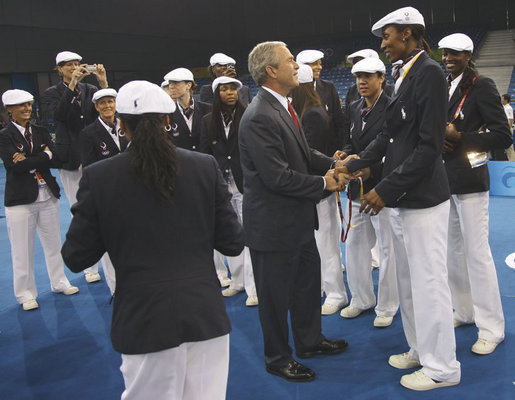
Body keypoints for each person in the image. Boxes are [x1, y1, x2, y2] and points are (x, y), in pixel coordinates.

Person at [61, 80, 244, 399]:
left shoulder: (100, 177)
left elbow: (76, 256)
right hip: (204, 315)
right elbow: (231, 242)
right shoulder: (204, 167)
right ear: (167, 122)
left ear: (121, 125)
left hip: (144, 319)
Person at [339, 7, 461, 391]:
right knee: (408, 282)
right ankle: (420, 349)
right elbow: (388, 136)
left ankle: (442, 367)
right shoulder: (402, 74)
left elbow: (428, 149)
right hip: (402, 199)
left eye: (388, 37)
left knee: (429, 283)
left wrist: (383, 190)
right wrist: (358, 162)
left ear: (408, 35)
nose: (383, 45)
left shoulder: (428, 74)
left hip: (422, 199)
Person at [239, 41, 349, 382]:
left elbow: (303, 153)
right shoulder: (259, 116)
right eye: (289, 60)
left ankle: (309, 340)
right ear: (272, 71)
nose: (296, 65)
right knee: (273, 297)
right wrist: (324, 184)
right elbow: (276, 176)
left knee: (305, 284)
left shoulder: (282, 105)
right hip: (273, 227)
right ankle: (277, 357)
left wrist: (334, 162)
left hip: (297, 220)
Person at [439, 33, 510, 355]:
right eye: (446, 54)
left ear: (469, 55)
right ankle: (464, 311)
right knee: (452, 252)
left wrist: (461, 137)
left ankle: (492, 327)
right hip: (445, 181)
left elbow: (502, 136)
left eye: (456, 54)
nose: (450, 58)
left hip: (471, 181)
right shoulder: (445, 84)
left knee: (477, 255)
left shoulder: (481, 85)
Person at [0, 89, 79, 311]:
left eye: (29, 104)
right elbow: (13, 166)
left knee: (54, 243)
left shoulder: (41, 131)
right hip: (20, 200)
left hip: (47, 195)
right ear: (9, 110)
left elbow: (56, 160)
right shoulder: (4, 136)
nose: (27, 109)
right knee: (22, 249)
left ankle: (59, 281)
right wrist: (44, 156)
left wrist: (35, 159)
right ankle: (25, 294)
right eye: (21, 105)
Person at [339, 57, 399, 327]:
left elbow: (396, 148)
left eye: (368, 76)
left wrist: (370, 169)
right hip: (355, 189)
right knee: (353, 245)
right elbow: (352, 143)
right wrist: (345, 155)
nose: (361, 82)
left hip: (382, 190)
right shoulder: (352, 107)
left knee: (388, 249)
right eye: (357, 77)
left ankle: (387, 306)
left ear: (381, 78)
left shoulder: (392, 106)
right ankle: (361, 299)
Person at [40, 50, 108, 284]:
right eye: (69, 65)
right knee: (80, 209)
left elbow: (105, 111)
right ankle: (90, 266)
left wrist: (102, 83)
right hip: (70, 157)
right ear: (59, 69)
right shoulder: (52, 93)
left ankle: (110, 256)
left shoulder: (90, 91)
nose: (74, 68)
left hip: (96, 153)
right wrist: (72, 86)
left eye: (77, 64)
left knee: (106, 206)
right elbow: (59, 115)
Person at [290, 64, 348, 315]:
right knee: (321, 242)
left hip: (318, 188)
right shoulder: (307, 110)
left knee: (327, 243)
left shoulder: (311, 113)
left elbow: (309, 156)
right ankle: (328, 286)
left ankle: (336, 292)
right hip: (316, 187)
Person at [199, 76, 258, 306]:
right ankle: (237, 281)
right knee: (232, 234)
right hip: (222, 186)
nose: (230, 93)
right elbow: (205, 155)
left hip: (247, 183)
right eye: (224, 89)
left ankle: (254, 287)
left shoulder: (248, 116)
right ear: (217, 94)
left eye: (233, 88)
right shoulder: (206, 121)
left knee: (251, 235)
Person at [79, 88, 128, 295]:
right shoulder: (88, 133)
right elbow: (90, 168)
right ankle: (117, 289)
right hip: (108, 195)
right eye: (103, 103)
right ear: (96, 107)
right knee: (110, 243)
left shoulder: (126, 126)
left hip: (132, 191)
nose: (108, 106)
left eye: (110, 102)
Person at [296, 49, 345, 151]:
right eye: (314, 64)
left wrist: (341, 149)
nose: (319, 67)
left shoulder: (329, 87)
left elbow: (338, 121)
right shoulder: (292, 90)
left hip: (330, 151)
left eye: (320, 64)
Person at [164, 67, 211, 152]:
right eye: (170, 83)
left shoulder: (208, 109)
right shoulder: (167, 115)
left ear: (188, 85)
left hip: (205, 161)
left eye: (175, 83)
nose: (171, 87)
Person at [501, 94, 515, 160]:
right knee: (506, 147)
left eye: (502, 98)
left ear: (506, 100)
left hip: (508, 129)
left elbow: (511, 119)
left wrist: (508, 129)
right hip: (504, 129)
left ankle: (512, 161)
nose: (501, 100)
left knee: (509, 146)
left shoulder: (509, 108)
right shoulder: (504, 107)